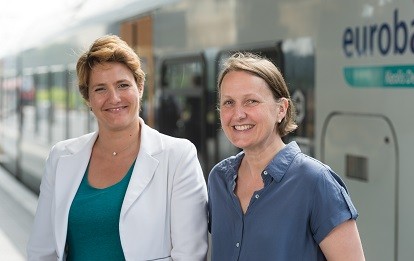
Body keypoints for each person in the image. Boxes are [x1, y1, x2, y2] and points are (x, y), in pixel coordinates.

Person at [27, 35, 208, 261]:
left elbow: (189, 255)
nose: (114, 98)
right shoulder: (60, 157)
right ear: (88, 99)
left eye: (123, 85)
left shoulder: (179, 156)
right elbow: (41, 251)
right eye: (100, 89)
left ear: (140, 87)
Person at [207, 52, 365, 260]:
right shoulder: (219, 179)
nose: (238, 114)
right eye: (229, 103)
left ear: (281, 109)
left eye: (251, 101)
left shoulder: (316, 182)